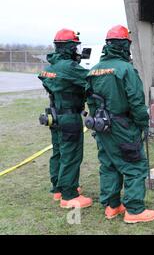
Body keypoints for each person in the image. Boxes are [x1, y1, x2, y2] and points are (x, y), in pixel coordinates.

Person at [86, 25, 154, 223]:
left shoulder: (93, 71)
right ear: (125, 45)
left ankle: (112, 206)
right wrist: (143, 122)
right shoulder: (125, 69)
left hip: (101, 125)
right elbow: (135, 100)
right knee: (134, 165)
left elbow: (90, 101)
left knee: (109, 164)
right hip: (122, 125)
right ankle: (134, 210)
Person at [38, 28, 92, 208]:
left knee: (58, 153)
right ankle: (69, 196)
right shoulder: (69, 67)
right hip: (69, 117)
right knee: (71, 155)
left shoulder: (50, 67)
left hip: (54, 115)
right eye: (75, 47)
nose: (77, 51)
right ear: (68, 47)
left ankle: (58, 188)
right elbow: (90, 80)